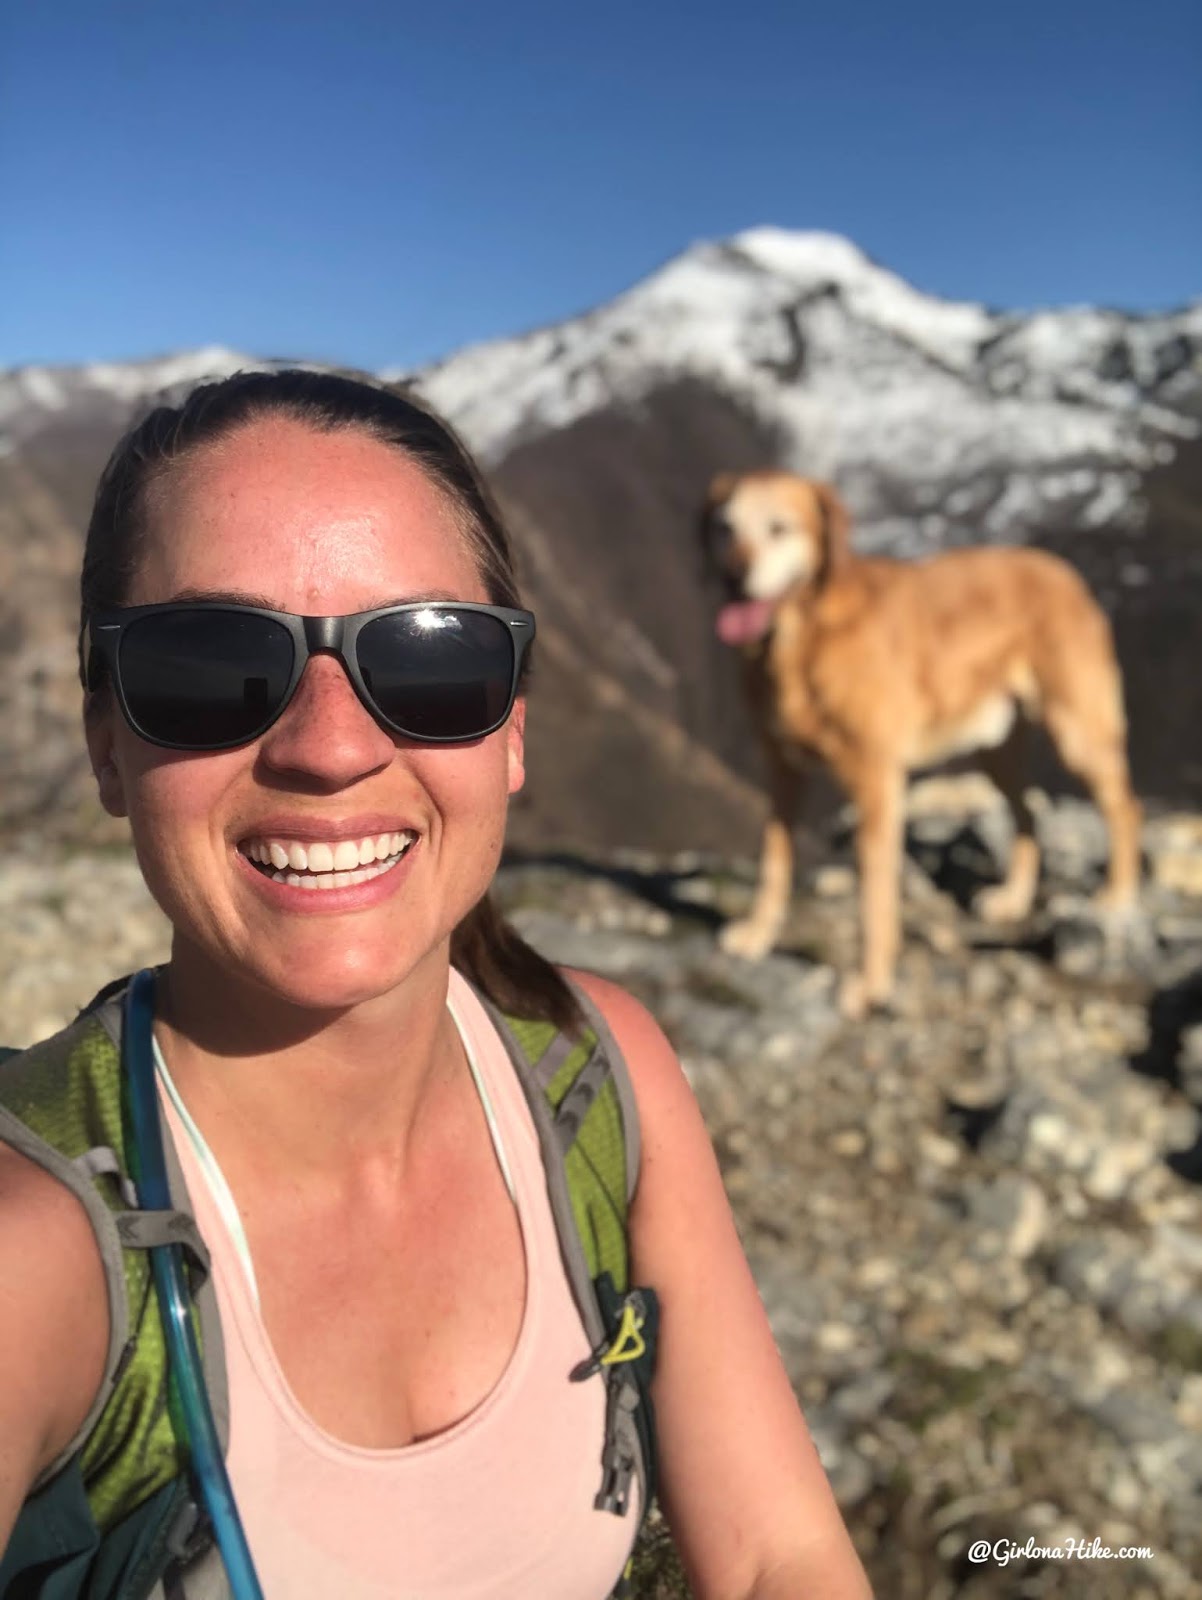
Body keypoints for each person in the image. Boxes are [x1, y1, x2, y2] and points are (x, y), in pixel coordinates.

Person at [0, 369, 872, 1599]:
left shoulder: (598, 1075)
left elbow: (781, 1558)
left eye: (429, 661)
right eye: (208, 664)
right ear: (105, 738)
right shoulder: (36, 1258)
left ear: (510, 727)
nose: (331, 744)